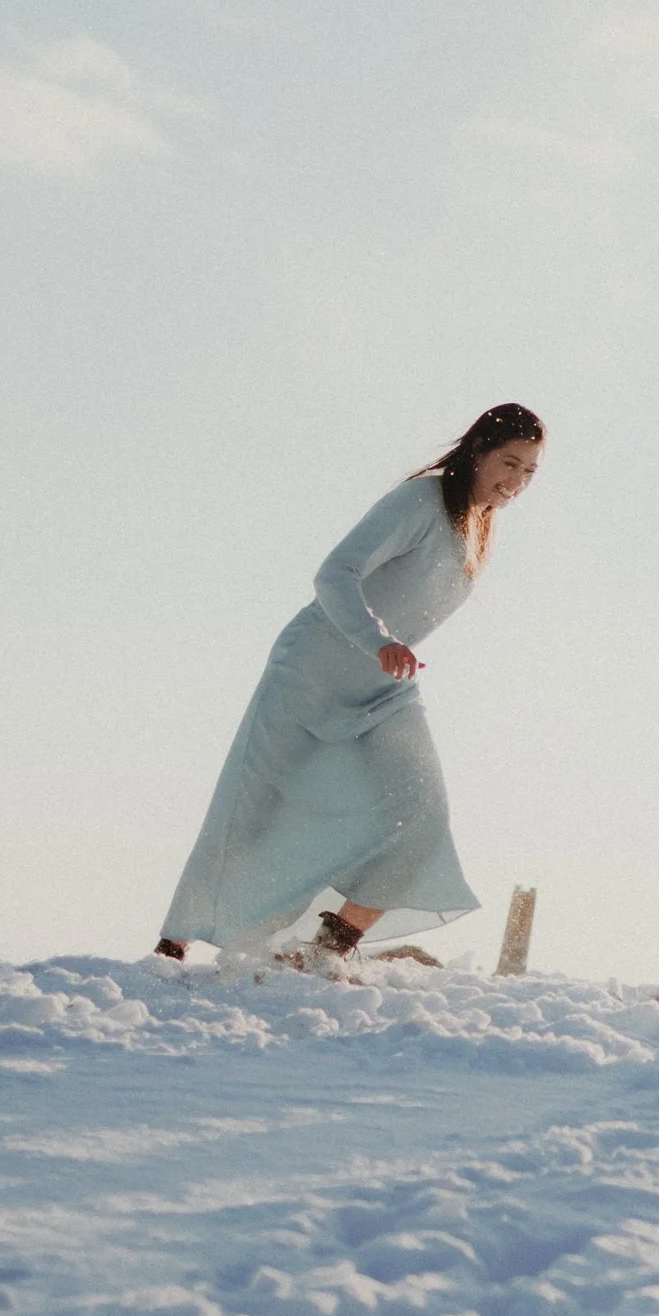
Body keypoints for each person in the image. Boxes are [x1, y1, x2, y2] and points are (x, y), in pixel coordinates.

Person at [153, 404, 544, 973]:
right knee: (251, 813)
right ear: (477, 452)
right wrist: (377, 638)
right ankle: (173, 948)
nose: (517, 481)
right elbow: (335, 574)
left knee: (422, 814)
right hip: (311, 673)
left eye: (529, 471)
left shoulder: (478, 526)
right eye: (509, 462)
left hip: (384, 691)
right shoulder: (422, 500)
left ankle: (329, 949)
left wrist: (386, 653)